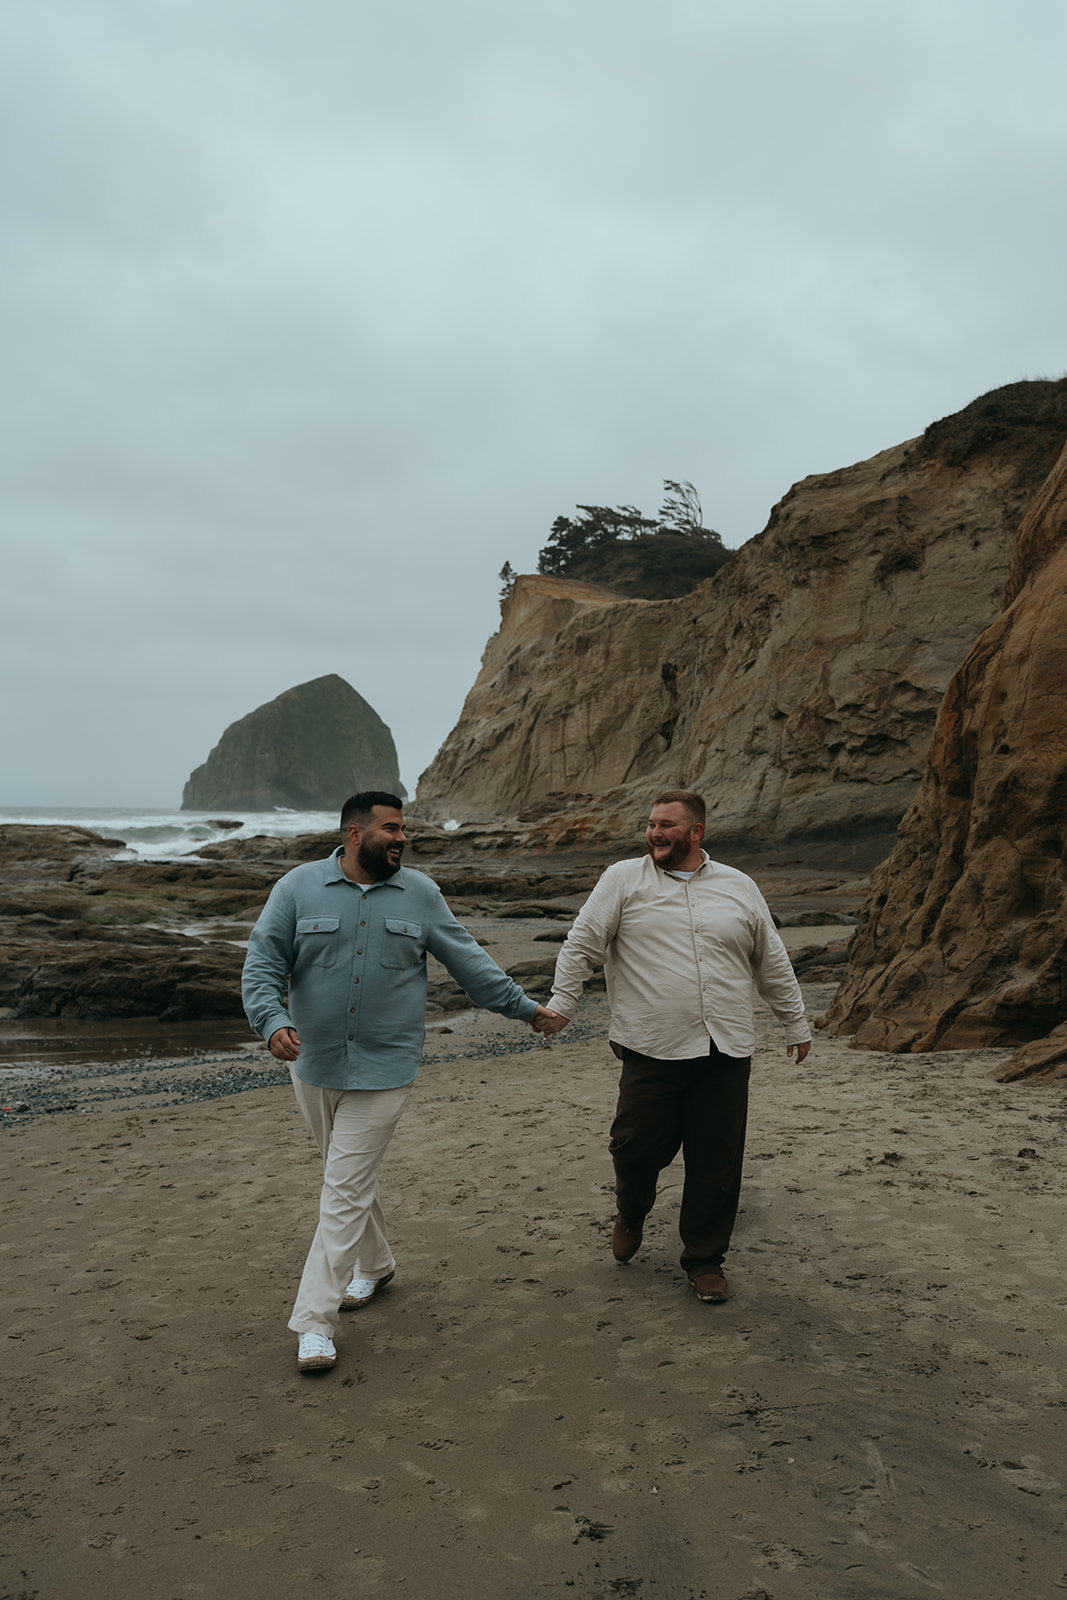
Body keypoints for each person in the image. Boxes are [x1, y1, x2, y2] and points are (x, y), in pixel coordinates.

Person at [242, 791, 560, 1372]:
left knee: (342, 1187)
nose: (402, 838)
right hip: (311, 1063)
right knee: (346, 1178)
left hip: (387, 1068)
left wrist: (525, 1009)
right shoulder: (296, 888)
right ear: (354, 834)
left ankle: (314, 1321)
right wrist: (271, 1021)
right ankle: (377, 1264)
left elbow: (469, 962)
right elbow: (262, 963)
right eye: (391, 828)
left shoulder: (421, 894)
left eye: (404, 829)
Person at [536, 788, 811, 1303]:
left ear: (696, 832)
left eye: (667, 825)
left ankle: (704, 1260)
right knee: (634, 1148)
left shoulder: (739, 886)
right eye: (651, 824)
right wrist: (562, 1005)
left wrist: (794, 1023)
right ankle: (632, 1209)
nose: (655, 833)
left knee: (717, 1160)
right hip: (651, 1046)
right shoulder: (623, 879)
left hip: (725, 1048)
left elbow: (769, 958)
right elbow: (582, 942)